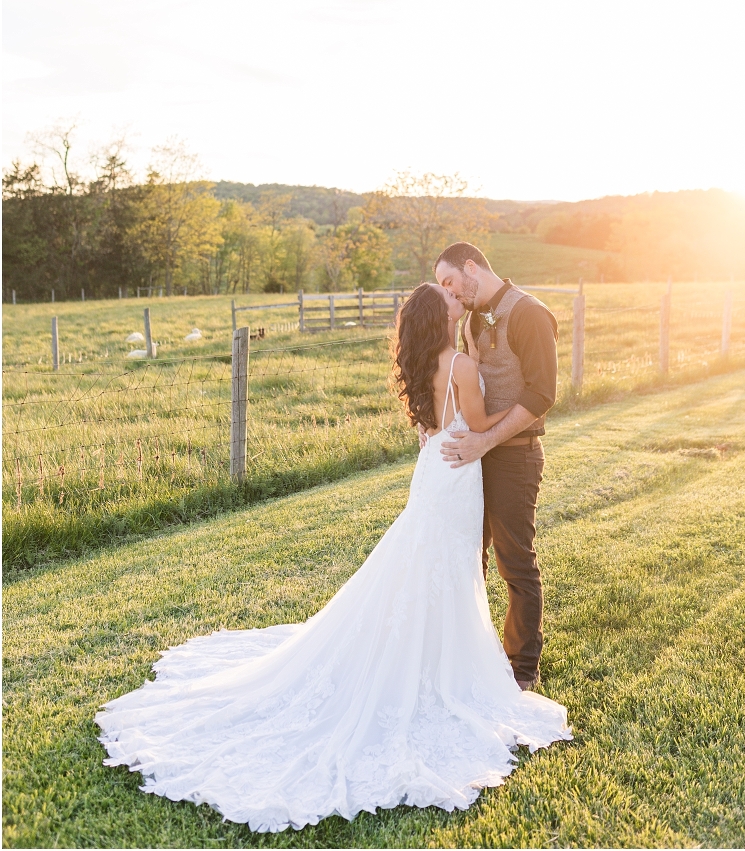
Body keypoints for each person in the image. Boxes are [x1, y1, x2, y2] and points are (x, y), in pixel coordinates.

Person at [95, 282, 570, 834]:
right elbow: (481, 426)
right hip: (459, 471)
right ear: (439, 319)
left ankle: (431, 651)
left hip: (433, 474)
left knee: (428, 565)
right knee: (448, 568)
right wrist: (507, 417)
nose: (454, 305)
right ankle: (437, 663)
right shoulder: (461, 364)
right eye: (448, 304)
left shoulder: (420, 364)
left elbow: (428, 429)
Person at [434, 242, 558, 692]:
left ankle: (522, 672)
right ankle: (475, 657)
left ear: (472, 268)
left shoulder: (530, 314)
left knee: (515, 563)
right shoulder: (470, 318)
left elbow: (542, 394)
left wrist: (485, 441)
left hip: (514, 457)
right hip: (474, 458)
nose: (449, 292)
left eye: (449, 281)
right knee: (470, 556)